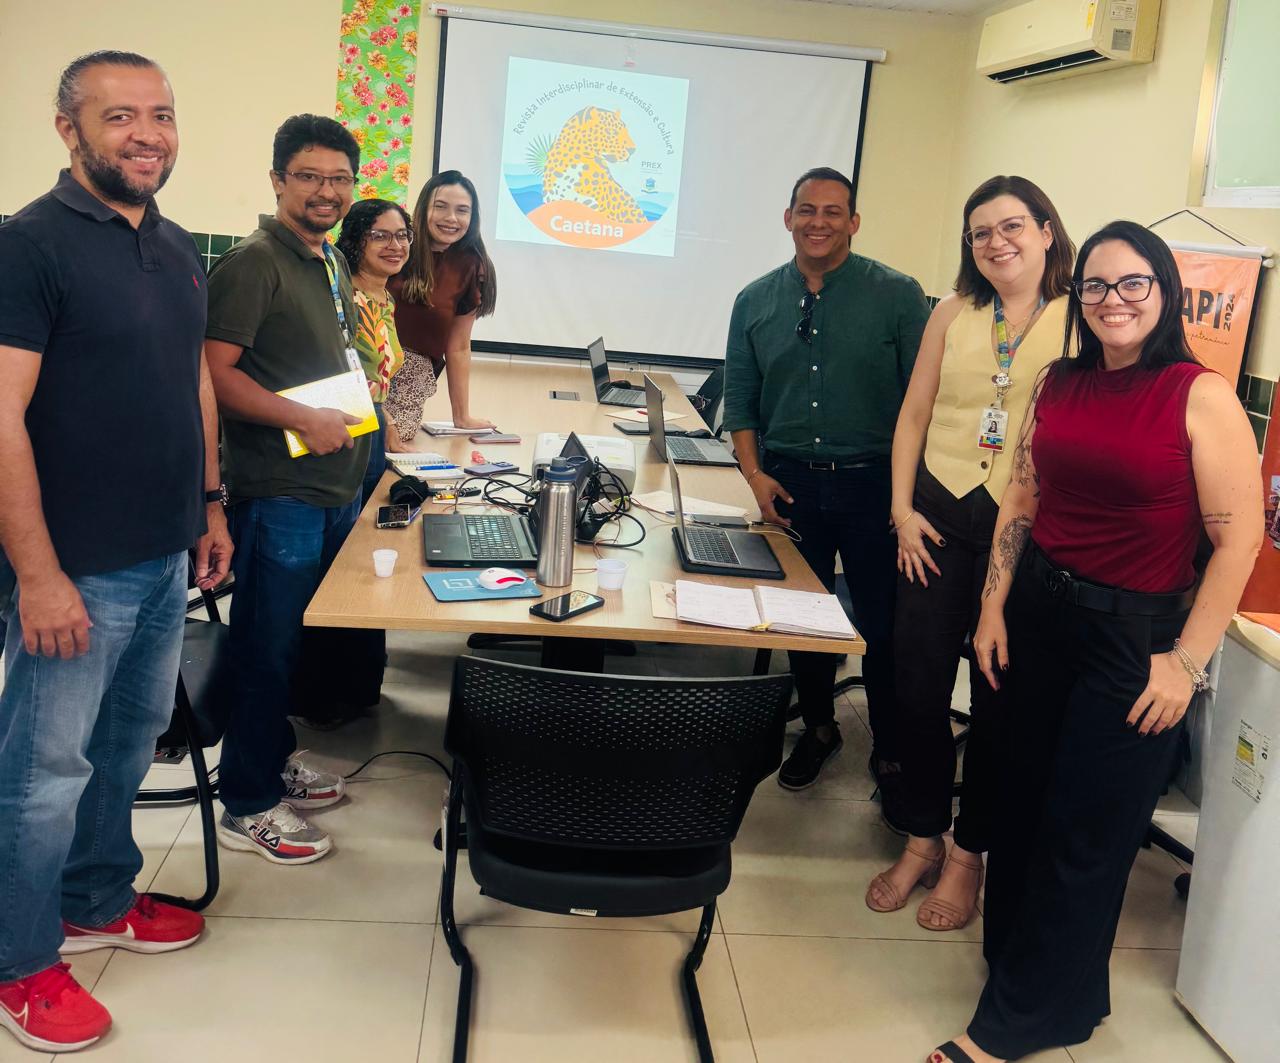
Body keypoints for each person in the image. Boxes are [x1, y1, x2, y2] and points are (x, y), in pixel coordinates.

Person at [929, 221, 1263, 1063]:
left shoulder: (1200, 395)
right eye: (1096, 286)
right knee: (1018, 804)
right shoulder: (1060, 380)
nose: (1113, 300)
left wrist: (1185, 662)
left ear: (1165, 293)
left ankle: (1009, 1025)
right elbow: (1022, 498)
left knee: (1087, 831)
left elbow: (1238, 542)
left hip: (1133, 637)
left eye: (1133, 283)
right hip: (1037, 614)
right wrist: (993, 605)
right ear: (1078, 297)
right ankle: (1044, 987)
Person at [0, 51, 230, 1052]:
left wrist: (209, 505)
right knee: (42, 769)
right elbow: (0, 415)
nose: (148, 134)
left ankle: (95, 898)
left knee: (127, 745)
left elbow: (192, 384)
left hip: (164, 551)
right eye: (121, 115)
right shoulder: (28, 245)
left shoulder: (176, 247)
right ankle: (17, 959)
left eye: (161, 115)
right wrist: (38, 574)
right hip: (76, 566)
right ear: (70, 129)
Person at [866, 177, 1075, 931]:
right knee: (916, 686)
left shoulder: (1082, 318)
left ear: (1047, 231)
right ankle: (923, 836)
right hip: (937, 520)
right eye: (980, 231)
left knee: (998, 702)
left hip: (1026, 534)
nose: (996, 242)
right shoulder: (953, 312)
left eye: (1012, 226)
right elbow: (914, 413)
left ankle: (968, 854)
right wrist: (901, 510)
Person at [723, 167, 931, 790]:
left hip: (876, 486)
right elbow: (741, 401)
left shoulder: (899, 296)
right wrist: (755, 476)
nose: (819, 222)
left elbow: (923, 401)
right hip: (789, 484)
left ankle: (891, 748)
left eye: (833, 211)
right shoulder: (754, 300)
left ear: (854, 222)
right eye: (807, 210)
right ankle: (819, 727)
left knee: (882, 622)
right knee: (802, 617)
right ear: (788, 218)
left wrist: (907, 496)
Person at [205, 114, 370, 865]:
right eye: (308, 176)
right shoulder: (254, 262)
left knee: (292, 647)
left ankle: (269, 759)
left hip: (330, 482)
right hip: (280, 493)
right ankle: (246, 801)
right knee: (265, 650)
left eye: (339, 179)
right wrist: (301, 417)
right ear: (277, 180)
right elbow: (213, 376)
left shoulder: (326, 259)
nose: (325, 191)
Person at [385, 169, 498, 443]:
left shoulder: (472, 264)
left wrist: (462, 416)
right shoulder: (395, 246)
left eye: (462, 210)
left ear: (472, 217)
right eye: (441, 206)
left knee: (396, 437)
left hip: (411, 377)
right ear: (424, 207)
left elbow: (458, 346)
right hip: (364, 366)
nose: (451, 218)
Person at [334, 198, 413, 505]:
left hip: (373, 423)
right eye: (380, 236)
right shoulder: (345, 297)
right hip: (343, 429)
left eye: (402, 235)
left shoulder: (385, 299)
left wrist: (387, 421)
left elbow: (374, 376)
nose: (396, 245)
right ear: (356, 241)